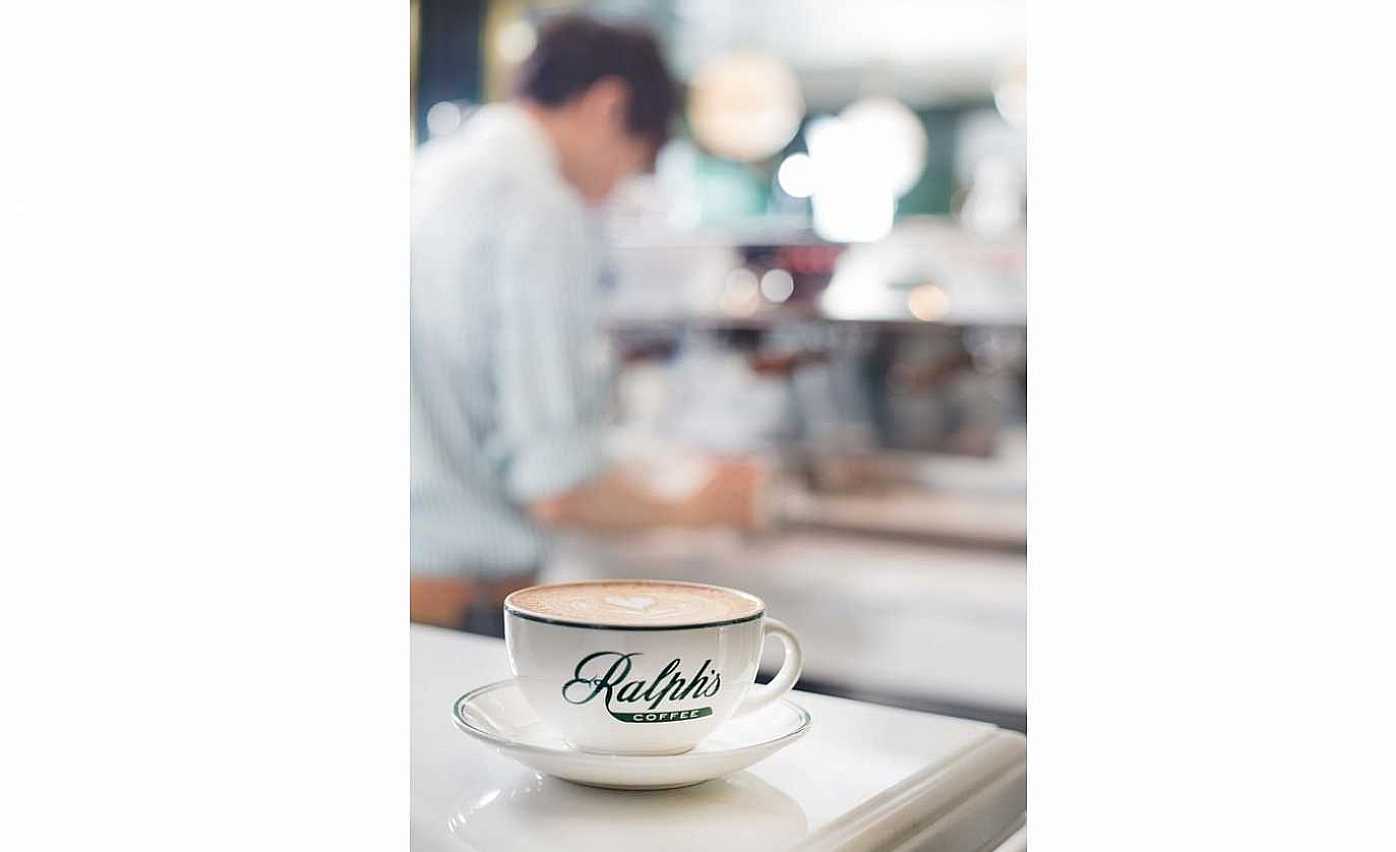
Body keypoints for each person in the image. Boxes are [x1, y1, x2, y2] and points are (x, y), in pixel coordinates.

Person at [411, 15, 765, 632]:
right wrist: (709, 503)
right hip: (460, 600)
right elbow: (559, 488)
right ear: (608, 106)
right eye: (634, 163)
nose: (615, 192)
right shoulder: (539, 210)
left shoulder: (431, 172)